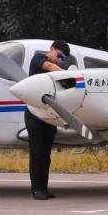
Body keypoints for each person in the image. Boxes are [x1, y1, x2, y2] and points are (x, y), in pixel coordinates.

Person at [25, 40, 70, 200]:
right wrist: (68, 74)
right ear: (51, 50)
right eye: (59, 55)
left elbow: (67, 87)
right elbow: (51, 68)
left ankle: (44, 188)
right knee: (36, 151)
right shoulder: (38, 58)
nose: (59, 60)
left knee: (46, 153)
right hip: (34, 113)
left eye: (63, 59)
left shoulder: (59, 71)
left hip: (50, 115)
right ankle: (36, 189)